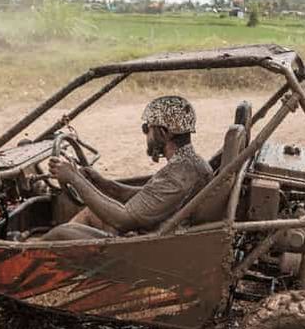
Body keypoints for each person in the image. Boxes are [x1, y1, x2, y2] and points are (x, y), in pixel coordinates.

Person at [44, 95, 213, 240]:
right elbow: (146, 196)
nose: (146, 135)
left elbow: (123, 220)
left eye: (147, 128)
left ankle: (24, 260)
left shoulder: (177, 175)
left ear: (163, 132)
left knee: (61, 233)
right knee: (91, 213)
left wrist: (74, 178)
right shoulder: (192, 163)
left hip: (147, 247)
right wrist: (104, 183)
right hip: (158, 233)